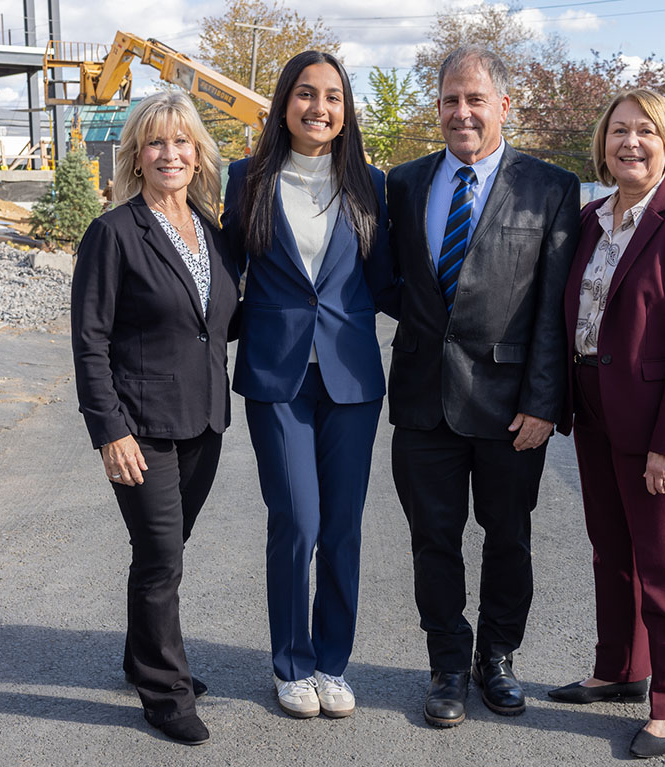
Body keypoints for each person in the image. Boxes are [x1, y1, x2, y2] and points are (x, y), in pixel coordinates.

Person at [386, 45, 580, 728]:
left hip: (510, 409)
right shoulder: (403, 182)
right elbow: (390, 281)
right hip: (421, 400)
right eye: (449, 99)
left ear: (504, 104)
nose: (461, 112)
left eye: (475, 99)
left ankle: (496, 658)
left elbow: (558, 307)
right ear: (436, 107)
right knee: (431, 540)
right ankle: (446, 664)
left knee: (509, 538)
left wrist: (543, 401)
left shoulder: (551, 188)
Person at [549, 88, 665, 759]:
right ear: (602, 143)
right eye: (619, 130)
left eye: (645, 131)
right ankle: (621, 666)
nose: (630, 142)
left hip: (659, 422)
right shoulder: (593, 219)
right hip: (594, 407)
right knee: (610, 549)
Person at [221, 50, 394, 720]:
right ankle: (291, 663)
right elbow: (223, 270)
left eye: (332, 97)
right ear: (283, 103)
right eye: (305, 94)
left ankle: (332, 662)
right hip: (277, 373)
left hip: (351, 376)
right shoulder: (248, 179)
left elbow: (386, 279)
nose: (319, 108)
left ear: (346, 110)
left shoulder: (372, 185)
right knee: (297, 517)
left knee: (343, 527)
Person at [70, 91, 239, 746]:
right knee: (162, 554)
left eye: (182, 142)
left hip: (204, 420)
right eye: (156, 142)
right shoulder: (113, 233)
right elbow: (90, 340)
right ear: (136, 156)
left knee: (164, 551)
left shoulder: (212, 232)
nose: (170, 154)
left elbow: (219, 323)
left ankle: (142, 656)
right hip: (139, 426)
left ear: (198, 155)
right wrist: (108, 429)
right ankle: (164, 690)